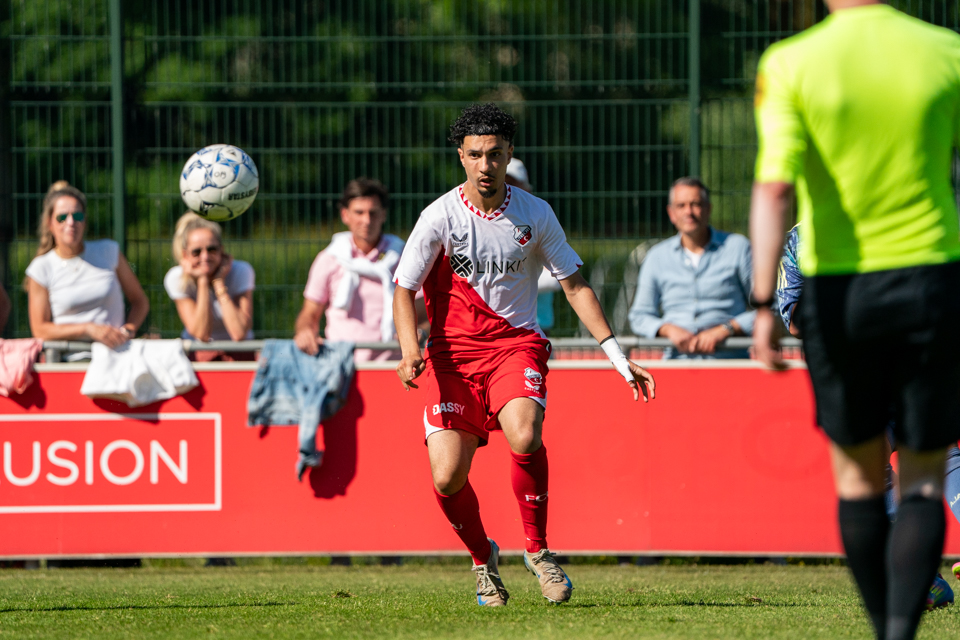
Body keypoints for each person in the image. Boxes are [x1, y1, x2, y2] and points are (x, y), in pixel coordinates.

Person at [750, 2, 960, 638]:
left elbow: (773, 189)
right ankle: (901, 626)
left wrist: (762, 303)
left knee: (860, 480)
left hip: (840, 292)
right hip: (930, 279)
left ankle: (885, 631)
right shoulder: (945, 50)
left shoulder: (791, 61)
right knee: (924, 477)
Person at [392, 103, 656, 607]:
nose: (485, 165)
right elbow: (403, 288)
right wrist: (409, 351)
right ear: (460, 158)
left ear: (510, 154)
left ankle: (539, 553)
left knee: (525, 431)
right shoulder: (440, 216)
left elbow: (574, 285)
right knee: (447, 477)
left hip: (516, 345)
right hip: (452, 358)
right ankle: (483, 561)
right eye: (475, 155)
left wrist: (619, 358)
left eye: (495, 154)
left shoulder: (535, 213)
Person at [777, 223, 958, 611]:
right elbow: (791, 314)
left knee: (938, 453)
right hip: (849, 369)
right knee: (874, 467)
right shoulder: (802, 235)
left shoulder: (899, 213)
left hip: (912, 355)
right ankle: (925, 580)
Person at [295, 178, 421, 362]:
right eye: (359, 212)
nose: (366, 220)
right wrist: (304, 331)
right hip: (339, 363)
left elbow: (423, 308)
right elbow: (310, 312)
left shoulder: (404, 256)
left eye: (373, 213)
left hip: (394, 364)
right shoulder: (329, 258)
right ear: (345, 215)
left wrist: (419, 331)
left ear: (384, 214)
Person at [628, 177, 755, 358]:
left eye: (696, 204)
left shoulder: (738, 248)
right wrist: (667, 329)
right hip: (676, 365)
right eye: (681, 206)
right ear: (671, 213)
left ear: (708, 209)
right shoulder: (656, 257)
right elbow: (639, 316)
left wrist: (726, 329)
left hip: (729, 364)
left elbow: (769, 309)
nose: (689, 212)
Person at [25, 181, 149, 354]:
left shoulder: (108, 251)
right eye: (62, 217)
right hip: (70, 360)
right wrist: (88, 329)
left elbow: (140, 301)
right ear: (49, 223)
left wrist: (129, 329)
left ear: (85, 221)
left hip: (116, 356)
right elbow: (40, 330)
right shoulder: (40, 268)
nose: (70, 223)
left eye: (77, 216)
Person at [164, 213, 255, 361]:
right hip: (198, 352)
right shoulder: (176, 278)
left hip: (239, 352)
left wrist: (219, 283)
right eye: (196, 252)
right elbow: (202, 334)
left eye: (211, 249)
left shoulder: (241, 271)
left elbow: (238, 333)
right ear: (185, 255)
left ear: (222, 250)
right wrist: (203, 281)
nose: (205, 257)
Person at [505, 159, 562, 334]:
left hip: (537, 329)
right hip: (497, 330)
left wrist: (504, 278)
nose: (507, 189)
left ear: (527, 188)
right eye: (504, 183)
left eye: (514, 184)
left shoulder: (540, 220)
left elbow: (556, 278)